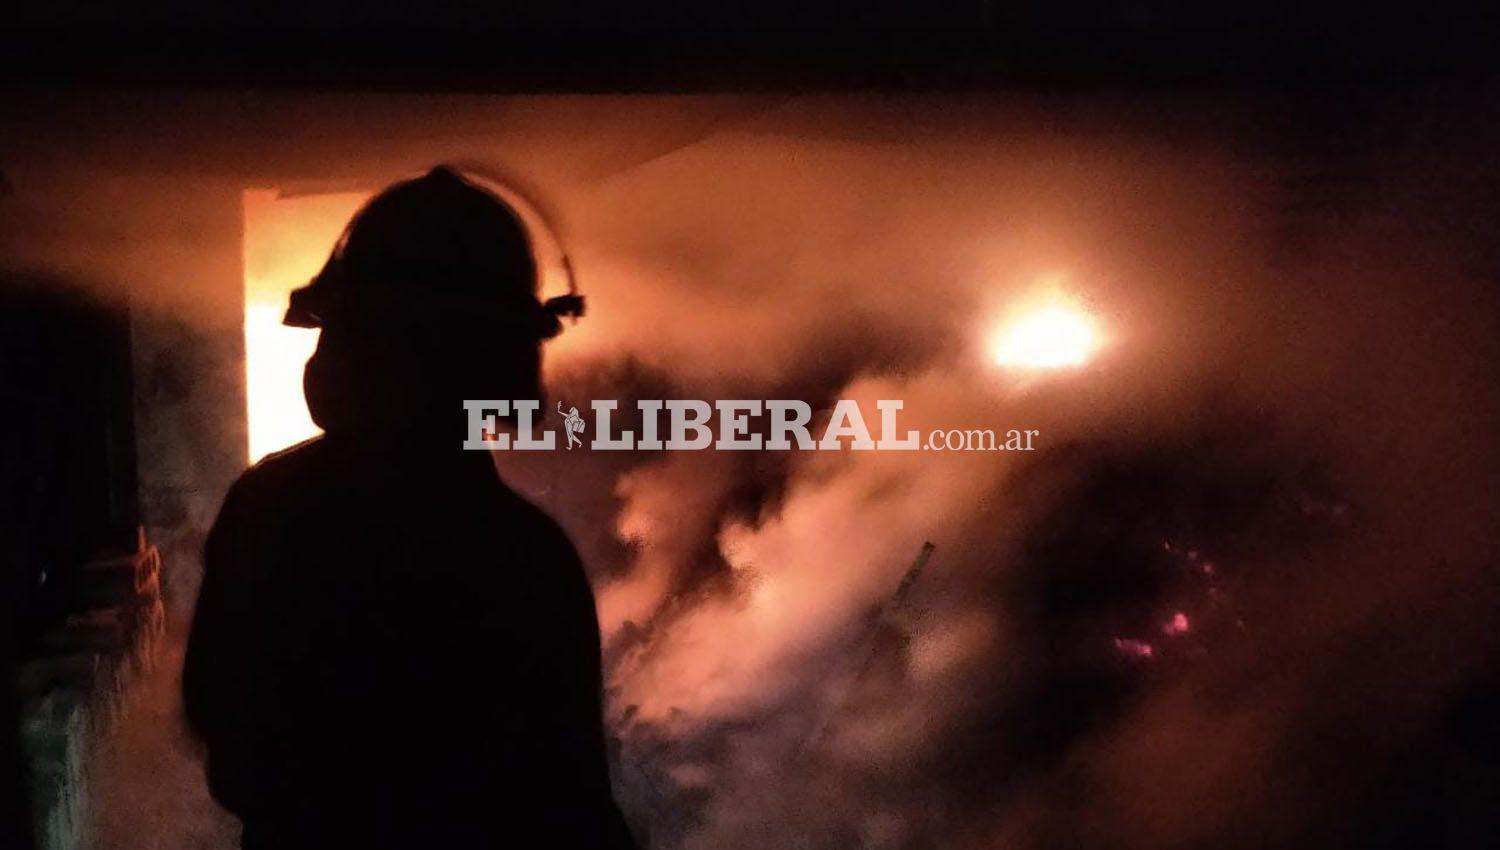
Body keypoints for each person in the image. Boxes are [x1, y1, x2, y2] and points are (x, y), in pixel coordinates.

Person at [183, 167, 633, 849]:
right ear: (506, 368)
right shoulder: (524, 560)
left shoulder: (268, 512)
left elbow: (234, 757)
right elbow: (571, 811)